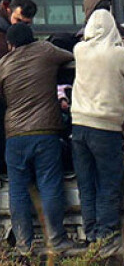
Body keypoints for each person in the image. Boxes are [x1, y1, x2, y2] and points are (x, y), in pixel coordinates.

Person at [71, 10, 124, 255]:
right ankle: (105, 237)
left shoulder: (79, 51)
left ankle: (91, 233)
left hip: (79, 127)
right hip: (106, 129)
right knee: (108, 183)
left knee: (87, 184)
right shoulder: (119, 55)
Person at [0, 24, 74, 255]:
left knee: (18, 190)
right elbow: (71, 56)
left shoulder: (3, 64)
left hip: (14, 137)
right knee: (49, 184)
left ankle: (24, 244)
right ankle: (56, 240)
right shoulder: (45, 50)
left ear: (11, 45)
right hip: (44, 133)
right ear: (32, 38)